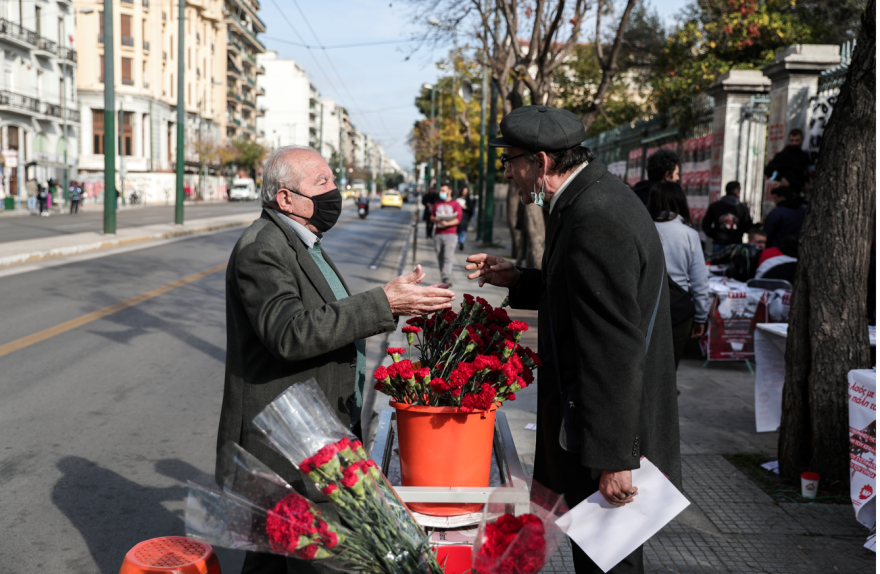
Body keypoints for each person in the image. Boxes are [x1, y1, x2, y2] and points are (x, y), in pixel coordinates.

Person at [216, 145, 455, 574]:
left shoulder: (303, 241)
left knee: (278, 559)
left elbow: (329, 314)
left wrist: (392, 301)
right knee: (285, 559)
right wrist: (383, 302)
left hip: (313, 432)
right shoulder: (262, 248)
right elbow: (289, 333)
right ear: (285, 198)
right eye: (321, 183)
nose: (334, 192)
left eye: (333, 180)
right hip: (283, 440)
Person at [466, 105, 680, 574]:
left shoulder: (594, 216)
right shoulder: (588, 198)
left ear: (540, 162)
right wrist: (519, 279)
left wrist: (613, 458)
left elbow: (612, 347)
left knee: (609, 565)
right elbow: (581, 294)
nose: (508, 174)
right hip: (588, 428)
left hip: (604, 438)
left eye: (511, 161)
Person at [646, 182, 709, 368]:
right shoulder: (689, 234)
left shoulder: (642, 229)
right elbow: (699, 281)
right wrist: (700, 317)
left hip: (646, 305)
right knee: (668, 369)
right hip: (678, 309)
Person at [702, 181, 753, 252]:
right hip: (735, 244)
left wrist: (716, 235)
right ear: (737, 192)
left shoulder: (715, 206)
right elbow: (748, 228)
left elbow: (705, 226)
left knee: (717, 263)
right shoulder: (742, 208)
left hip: (719, 243)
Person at [430, 182, 463, 285]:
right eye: (440, 190)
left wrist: (447, 223)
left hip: (450, 234)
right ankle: (443, 276)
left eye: (443, 190)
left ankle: (446, 278)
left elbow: (458, 219)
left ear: (450, 191)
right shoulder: (437, 203)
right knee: (440, 257)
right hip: (438, 233)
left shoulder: (455, 204)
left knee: (447, 257)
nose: (441, 192)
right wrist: (435, 219)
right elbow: (431, 217)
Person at [764, 128, 810, 193]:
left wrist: (805, 182)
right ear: (788, 140)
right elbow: (768, 171)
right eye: (792, 140)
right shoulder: (783, 155)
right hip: (786, 193)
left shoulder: (803, 155)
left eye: (797, 140)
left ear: (802, 140)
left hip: (799, 192)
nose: (794, 143)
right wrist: (780, 178)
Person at [455, 185, 475, 251]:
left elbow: (471, 209)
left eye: (466, 191)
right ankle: (458, 241)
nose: (465, 193)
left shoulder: (468, 200)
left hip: (465, 217)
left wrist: (466, 208)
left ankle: (461, 242)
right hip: (457, 217)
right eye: (464, 191)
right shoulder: (457, 199)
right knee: (457, 230)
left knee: (463, 231)